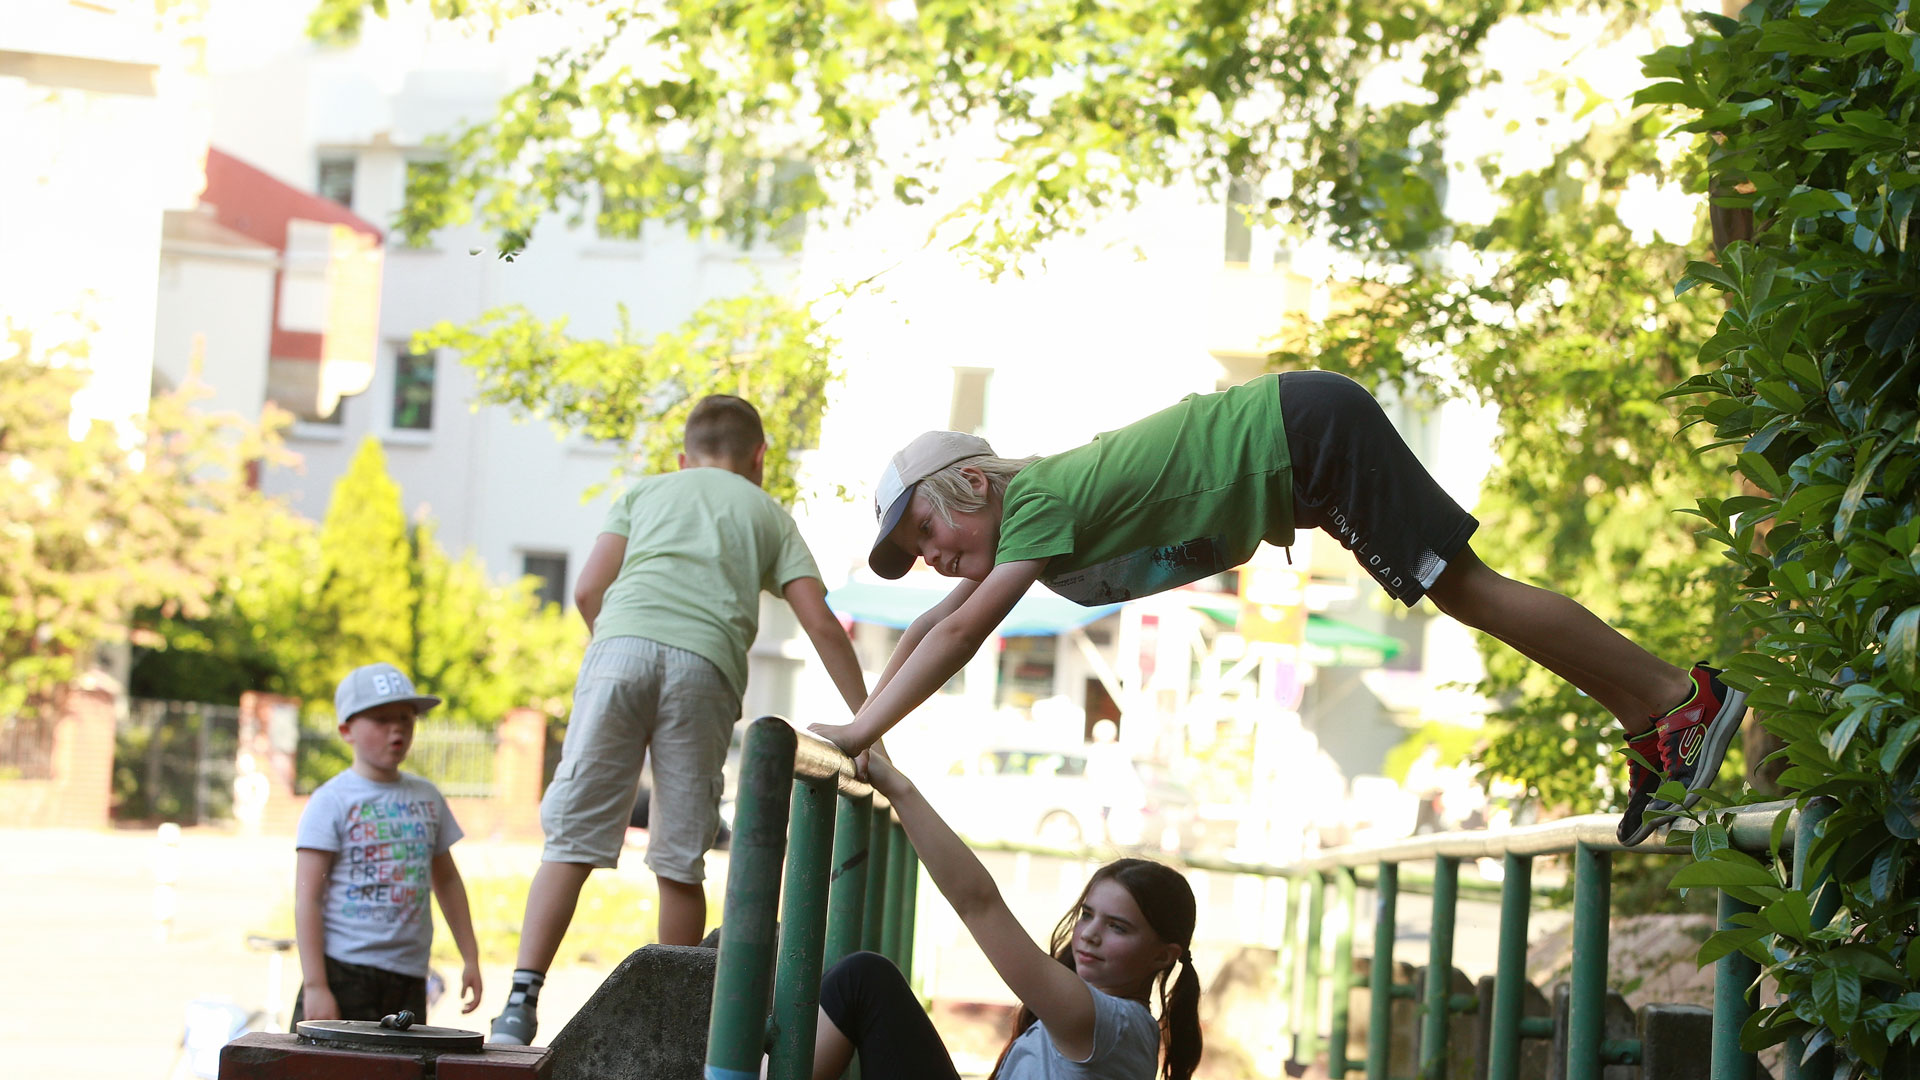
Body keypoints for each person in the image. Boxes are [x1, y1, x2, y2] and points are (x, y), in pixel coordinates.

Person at [815, 371, 1749, 847]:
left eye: (926, 529)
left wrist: (862, 732)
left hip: (1304, 434)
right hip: (1297, 445)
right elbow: (943, 623)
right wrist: (865, 725)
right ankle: (1656, 715)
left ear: (973, 480)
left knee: (1465, 591)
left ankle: (1678, 697)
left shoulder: (1037, 506)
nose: (930, 559)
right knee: (1466, 595)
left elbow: (965, 632)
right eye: (914, 556)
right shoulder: (1025, 518)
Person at [491, 394, 869, 1045]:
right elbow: (821, 625)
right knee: (679, 852)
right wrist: (871, 723)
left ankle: (518, 1008)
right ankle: (673, 1027)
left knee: (573, 837)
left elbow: (587, 590)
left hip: (619, 651)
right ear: (759, 458)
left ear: (681, 457)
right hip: (705, 666)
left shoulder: (645, 493)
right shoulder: (770, 516)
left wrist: (615, 648)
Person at [808, 744, 1202, 1080]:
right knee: (861, 979)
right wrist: (869, 730)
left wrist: (900, 788)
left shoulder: (1110, 1025)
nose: (1090, 934)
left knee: (861, 981)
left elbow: (978, 903)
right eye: (1087, 914)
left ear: (1163, 955)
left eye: (1118, 927)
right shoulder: (1100, 1018)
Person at [292, 662, 482, 1023]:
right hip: (344, 973)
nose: (396, 729)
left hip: (409, 975)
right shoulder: (331, 800)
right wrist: (317, 986)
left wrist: (470, 957)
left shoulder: (427, 797)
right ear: (347, 730)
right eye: (381, 720)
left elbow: (447, 881)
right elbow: (308, 898)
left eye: (406, 719)